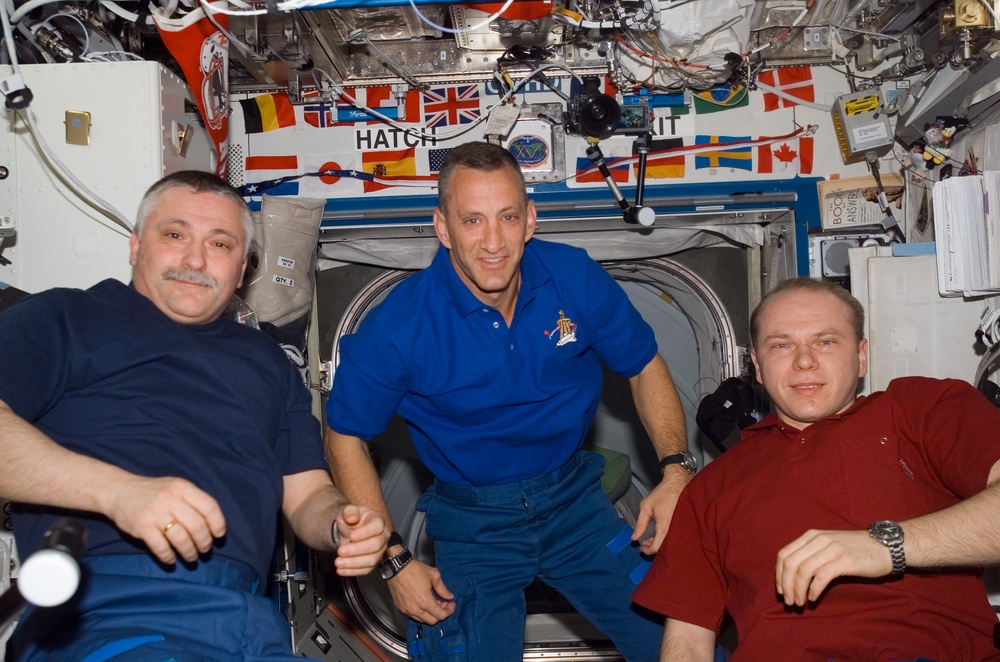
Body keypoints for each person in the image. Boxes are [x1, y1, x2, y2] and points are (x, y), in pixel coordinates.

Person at [325, 141, 692, 662]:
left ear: (530, 220)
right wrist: (394, 562)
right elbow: (343, 435)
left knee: (681, 636)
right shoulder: (399, 325)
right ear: (443, 229)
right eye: (471, 221)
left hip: (575, 504)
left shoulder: (575, 279)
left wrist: (677, 472)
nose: (493, 241)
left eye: (507, 217)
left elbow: (642, 364)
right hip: (472, 522)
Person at [0, 170, 389, 661]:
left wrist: (341, 524)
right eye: (175, 234)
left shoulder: (268, 362)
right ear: (135, 244)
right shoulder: (63, 318)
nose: (194, 259)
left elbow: (307, 494)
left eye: (220, 244)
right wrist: (118, 492)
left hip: (253, 622)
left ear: (243, 267)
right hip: (107, 606)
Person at [633, 276, 1000, 661]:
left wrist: (884, 545)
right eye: (781, 345)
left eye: (825, 342)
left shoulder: (919, 410)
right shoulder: (712, 486)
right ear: (757, 365)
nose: (804, 360)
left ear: (861, 356)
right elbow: (688, 640)